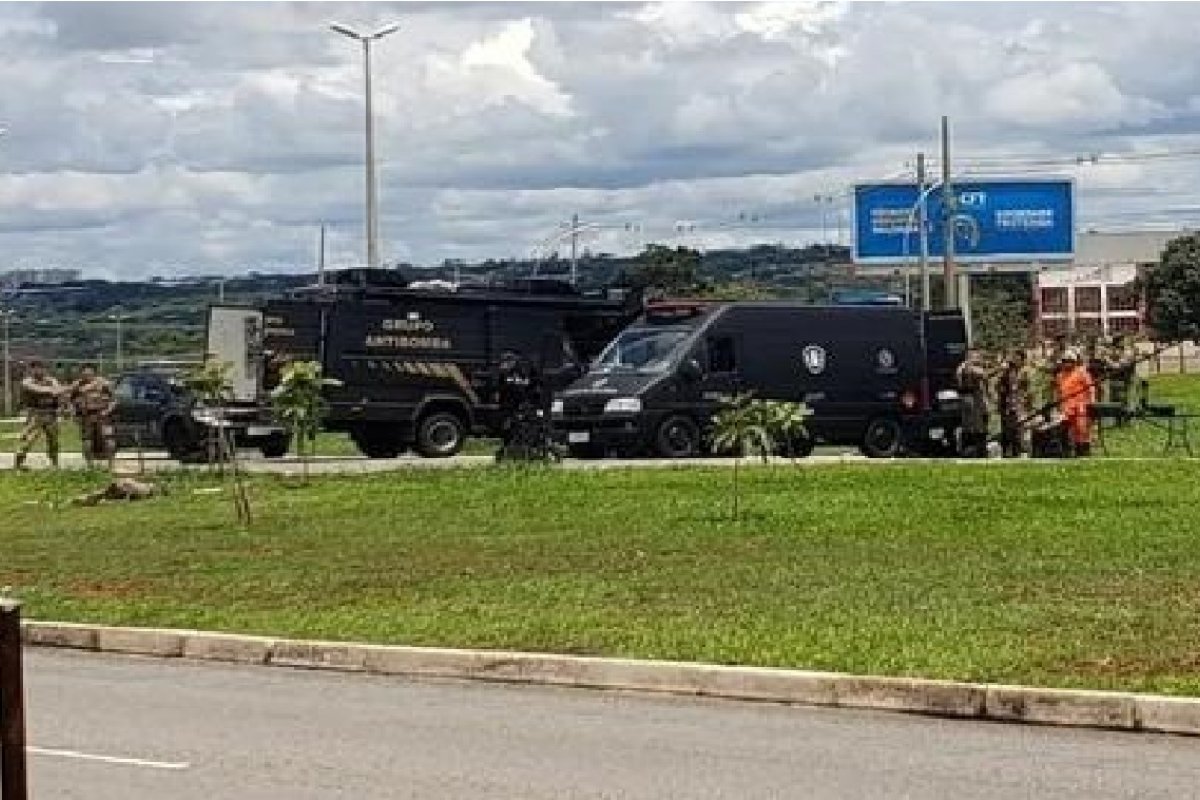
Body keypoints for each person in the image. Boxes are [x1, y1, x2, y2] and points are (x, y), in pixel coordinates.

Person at [14, 359, 65, 470]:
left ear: (44, 369)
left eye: (40, 368)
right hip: (35, 414)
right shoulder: (27, 381)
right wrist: (52, 390)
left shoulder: (51, 380)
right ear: (31, 370)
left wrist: (59, 399)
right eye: (34, 368)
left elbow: (59, 391)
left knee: (53, 441)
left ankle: (54, 465)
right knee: (28, 440)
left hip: (51, 414)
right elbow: (37, 389)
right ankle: (18, 465)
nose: (38, 370)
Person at [69, 362, 117, 470]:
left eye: (89, 372)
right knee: (87, 441)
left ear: (94, 372)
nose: (86, 375)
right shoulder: (77, 385)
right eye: (84, 373)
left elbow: (114, 400)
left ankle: (111, 465)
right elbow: (71, 401)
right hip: (86, 416)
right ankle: (90, 466)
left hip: (103, 416)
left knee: (109, 440)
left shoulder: (104, 384)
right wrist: (74, 415)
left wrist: (107, 411)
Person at [1056, 348, 1097, 457]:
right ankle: (1066, 452)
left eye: (1070, 361)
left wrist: (1092, 402)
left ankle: (1083, 453)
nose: (1067, 363)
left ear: (1074, 362)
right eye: (1065, 361)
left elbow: (1091, 388)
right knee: (1063, 428)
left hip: (1080, 406)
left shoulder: (1082, 372)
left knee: (1081, 430)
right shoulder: (1060, 375)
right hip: (1066, 407)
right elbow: (1059, 391)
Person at [997, 350, 1035, 458]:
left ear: (1023, 360)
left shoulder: (1026, 371)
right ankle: (1007, 452)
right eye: (1014, 358)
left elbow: (1029, 389)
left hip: (1021, 405)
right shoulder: (1008, 372)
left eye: (1018, 358)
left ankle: (1019, 452)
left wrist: (1027, 402)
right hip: (1009, 405)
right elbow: (1000, 387)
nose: (1015, 360)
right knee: (1008, 430)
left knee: (1020, 430)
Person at [955, 348, 991, 457]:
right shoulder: (966, 367)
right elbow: (983, 375)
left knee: (980, 426)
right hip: (972, 400)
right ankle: (975, 452)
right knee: (975, 428)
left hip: (976, 400)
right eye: (976, 356)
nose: (978, 358)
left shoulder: (969, 367)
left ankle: (979, 450)